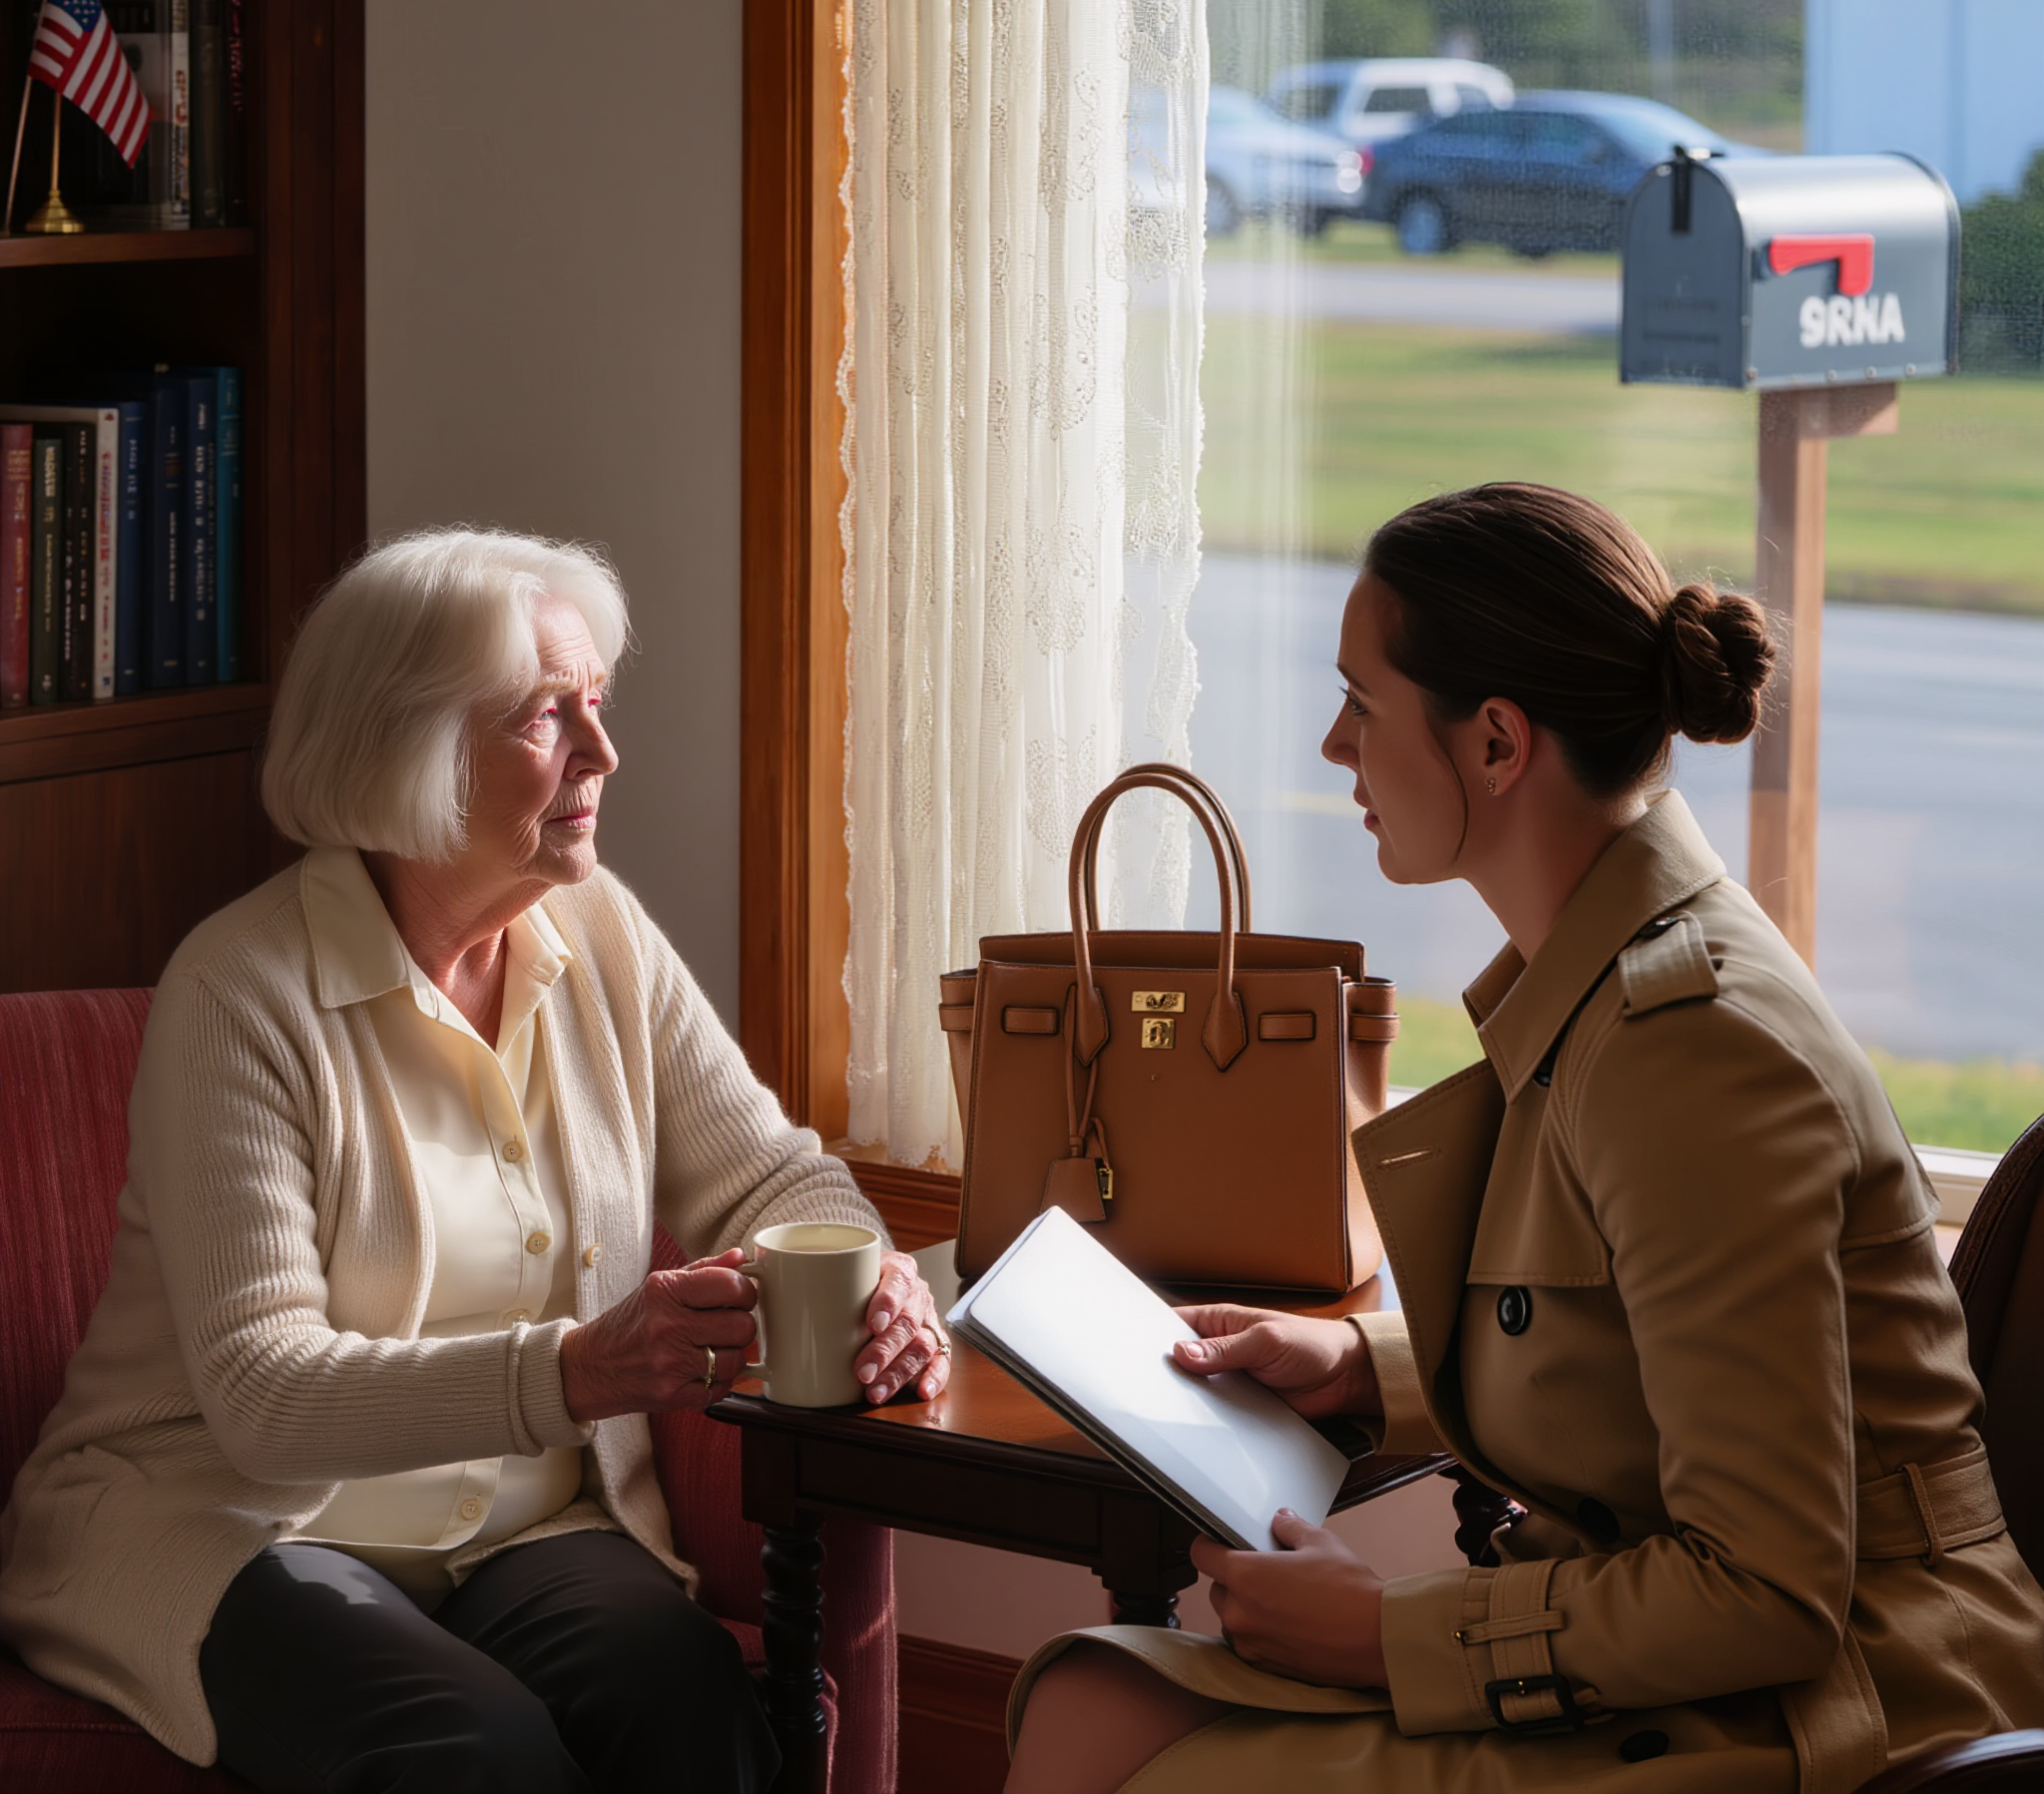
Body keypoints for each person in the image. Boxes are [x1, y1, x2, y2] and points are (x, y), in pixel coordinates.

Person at [1005, 484, 2044, 1793]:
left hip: (1844, 1700)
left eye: (1361, 703)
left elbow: (1769, 1588)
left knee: (1111, 1734)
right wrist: (1359, 1367)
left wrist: (1388, 1633)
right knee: (1092, 1697)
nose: (1333, 744)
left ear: (1496, 743)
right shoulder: (1611, 981)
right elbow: (1627, 1341)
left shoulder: (1693, 1050)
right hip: (1715, 1661)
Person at [0, 528, 950, 1794]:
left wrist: (879, 1272)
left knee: (694, 1709)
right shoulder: (238, 992)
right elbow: (263, 1395)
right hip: (231, 1522)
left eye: (596, 703)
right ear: (413, 749)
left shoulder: (599, 935)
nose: (602, 751)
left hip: (524, 1528)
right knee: (470, 1753)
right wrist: (578, 1367)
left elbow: (771, 1173)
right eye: (548, 715)